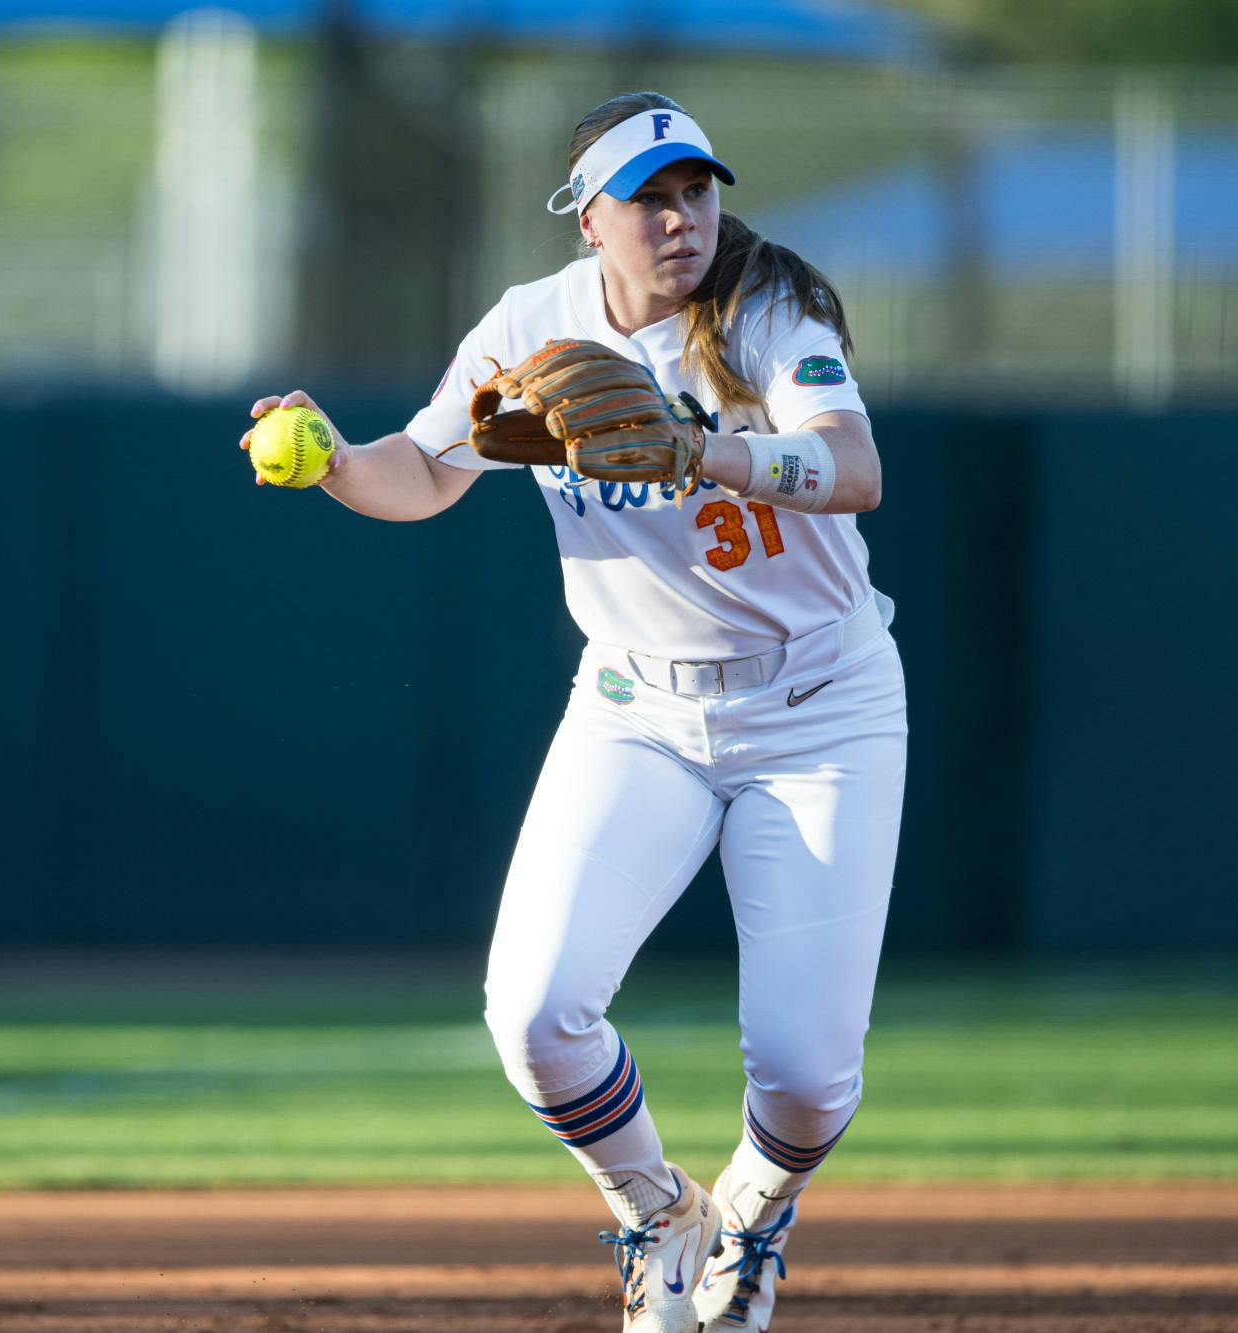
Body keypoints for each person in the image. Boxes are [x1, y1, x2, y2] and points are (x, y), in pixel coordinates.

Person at [243, 91, 906, 1331]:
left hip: (819, 707)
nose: (679, 217)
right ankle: (661, 1212)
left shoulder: (765, 310)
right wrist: (333, 456)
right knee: (535, 1014)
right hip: (635, 707)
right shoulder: (530, 330)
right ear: (586, 217)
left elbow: (853, 469)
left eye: (695, 188)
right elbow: (426, 472)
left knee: (808, 1079)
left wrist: (697, 446)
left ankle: (754, 1211)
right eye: (647, 197)